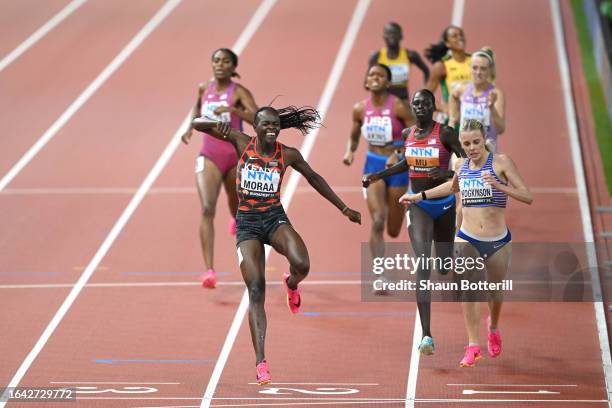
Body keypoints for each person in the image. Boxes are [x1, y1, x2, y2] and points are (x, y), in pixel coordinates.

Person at [192, 106, 361, 384]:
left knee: (302, 264)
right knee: (256, 288)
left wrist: (343, 208)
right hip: (246, 224)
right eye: (265, 124)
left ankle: (291, 284)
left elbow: (314, 178)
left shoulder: (288, 154)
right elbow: (197, 123)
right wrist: (217, 125)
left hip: (274, 219)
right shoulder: (240, 141)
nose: (271, 129)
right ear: (255, 126)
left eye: (275, 125)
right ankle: (261, 362)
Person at [399, 119, 532, 367]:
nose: (472, 148)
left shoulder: (501, 162)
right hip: (468, 237)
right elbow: (451, 187)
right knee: (470, 288)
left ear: (484, 141)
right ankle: (473, 345)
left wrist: (499, 185)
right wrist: (418, 196)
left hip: (497, 241)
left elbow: (527, 196)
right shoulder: (460, 164)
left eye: (476, 142)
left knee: (494, 292)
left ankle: (492, 327)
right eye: (466, 143)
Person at [362, 89, 463, 354]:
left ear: (432, 107)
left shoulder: (446, 133)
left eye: (425, 103)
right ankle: (427, 335)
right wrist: (378, 175)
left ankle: (451, 260)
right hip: (418, 205)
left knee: (442, 266)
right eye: (416, 104)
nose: (419, 107)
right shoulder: (407, 136)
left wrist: (446, 172)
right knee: (423, 264)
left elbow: (467, 163)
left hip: (444, 206)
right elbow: (405, 165)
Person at [181, 48, 257, 289]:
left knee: (237, 206)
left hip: (235, 156)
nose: (220, 64)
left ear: (233, 67)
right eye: (216, 60)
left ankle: (235, 218)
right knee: (206, 208)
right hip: (210, 155)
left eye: (225, 61)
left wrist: (235, 111)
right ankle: (209, 271)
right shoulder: (204, 88)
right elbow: (197, 108)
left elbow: (257, 118)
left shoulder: (239, 92)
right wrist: (190, 128)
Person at [344, 63, 414, 288]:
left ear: (387, 82)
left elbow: (416, 135)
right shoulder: (359, 109)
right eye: (371, 74)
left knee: (393, 230)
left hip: (397, 167)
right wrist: (350, 151)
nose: (374, 77)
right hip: (373, 165)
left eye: (380, 75)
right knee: (377, 221)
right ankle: (379, 274)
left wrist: (399, 152)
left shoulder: (400, 107)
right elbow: (354, 136)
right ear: (366, 81)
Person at [448, 47, 505, 153]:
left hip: (487, 151)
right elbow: (453, 96)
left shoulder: (496, 93)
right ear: (470, 68)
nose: (478, 72)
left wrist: (492, 108)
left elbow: (501, 129)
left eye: (483, 69)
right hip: (464, 150)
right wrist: (452, 119)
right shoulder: (462, 89)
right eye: (475, 68)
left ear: (489, 71)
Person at [367, 22, 430, 101]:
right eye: (389, 33)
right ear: (383, 36)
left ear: (401, 36)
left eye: (395, 33)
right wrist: (378, 84)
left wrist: (426, 92)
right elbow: (366, 83)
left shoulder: (410, 55)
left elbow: (426, 71)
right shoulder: (377, 57)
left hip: (403, 99)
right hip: (383, 100)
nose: (392, 36)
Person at [425, 26, 471, 121]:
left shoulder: (475, 61)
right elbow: (424, 96)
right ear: (447, 43)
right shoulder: (442, 66)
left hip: (473, 118)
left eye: (461, 35)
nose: (460, 38)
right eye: (455, 36)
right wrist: (444, 108)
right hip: (451, 121)